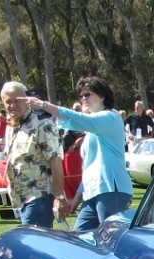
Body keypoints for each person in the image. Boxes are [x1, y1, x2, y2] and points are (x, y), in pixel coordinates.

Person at [25, 76, 134, 232]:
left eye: (88, 94)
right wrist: (78, 196)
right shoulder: (92, 129)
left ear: (102, 96)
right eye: (81, 96)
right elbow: (90, 165)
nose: (83, 98)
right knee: (80, 237)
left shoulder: (110, 117)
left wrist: (44, 105)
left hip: (112, 190)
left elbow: (79, 118)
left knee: (111, 238)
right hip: (93, 191)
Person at [0, 81, 66, 228]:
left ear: (27, 99)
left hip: (40, 197)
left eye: (18, 100)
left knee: (32, 245)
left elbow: (55, 160)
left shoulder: (42, 123)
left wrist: (59, 197)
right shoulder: (11, 127)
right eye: (8, 101)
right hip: (22, 199)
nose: (13, 105)